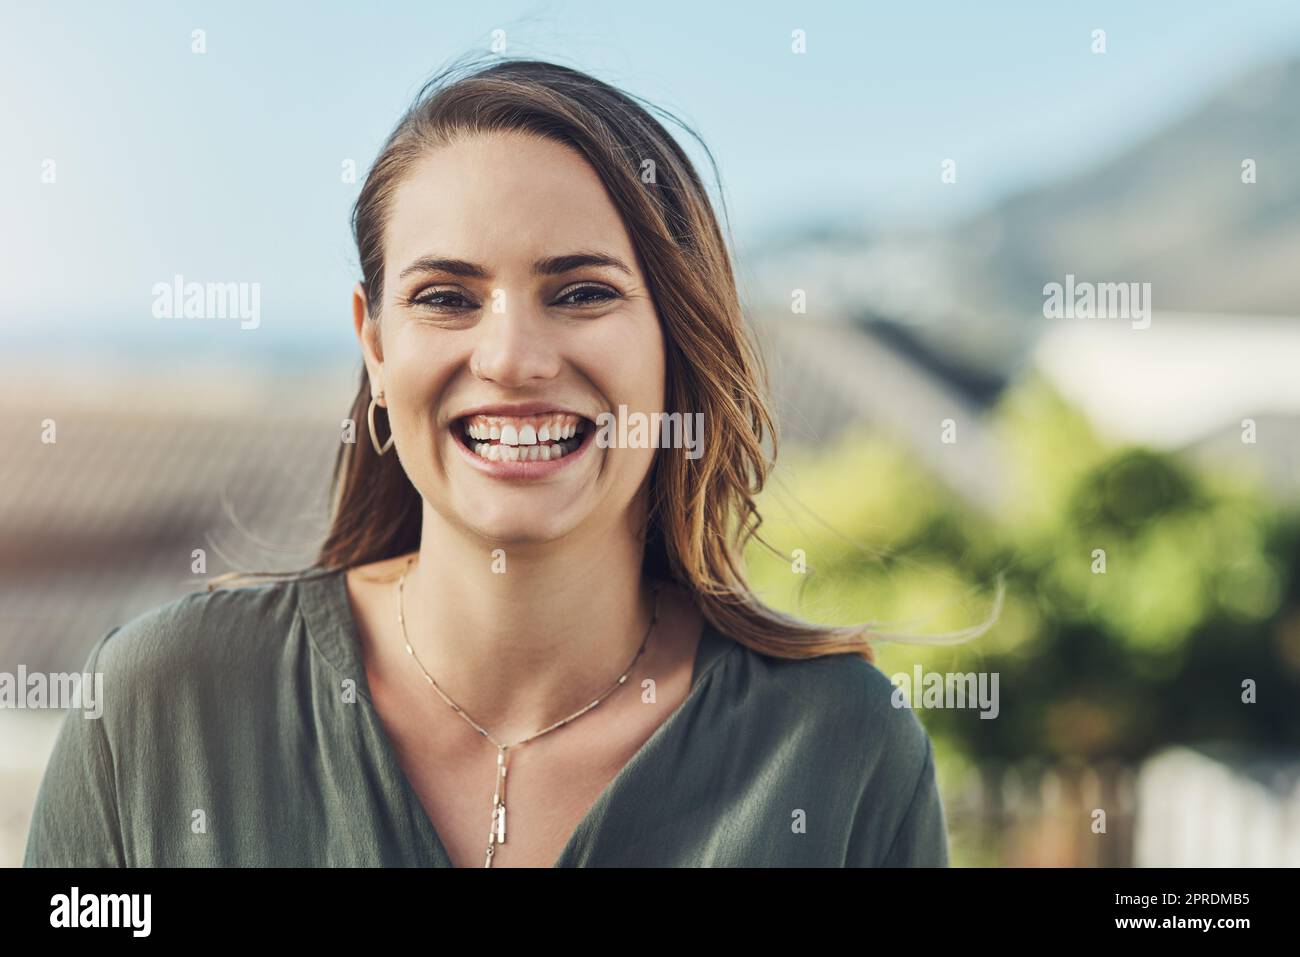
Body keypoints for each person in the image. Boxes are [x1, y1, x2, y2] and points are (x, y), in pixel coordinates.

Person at [25, 55, 956, 868]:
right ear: (376, 348)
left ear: (676, 340)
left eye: (583, 291)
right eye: (446, 297)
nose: (512, 358)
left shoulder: (840, 749)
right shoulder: (161, 710)